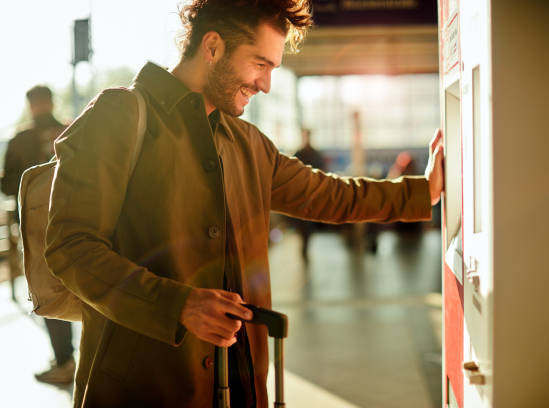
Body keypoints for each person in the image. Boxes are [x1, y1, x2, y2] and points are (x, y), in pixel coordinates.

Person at [43, 1, 445, 406]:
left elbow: (329, 195)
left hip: (240, 386)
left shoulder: (247, 142)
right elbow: (71, 247)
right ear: (213, 47)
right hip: (145, 388)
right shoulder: (118, 115)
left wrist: (422, 191)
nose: (266, 83)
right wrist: (177, 305)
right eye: (260, 64)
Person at [1, 85, 75, 384]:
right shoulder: (72, 130)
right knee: (80, 285)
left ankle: (64, 360)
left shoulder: (20, 140)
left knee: (48, 290)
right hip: (75, 222)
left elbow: (8, 188)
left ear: (31, 105)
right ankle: (81, 355)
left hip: (36, 229)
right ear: (52, 101)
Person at [293, 128, 326, 260]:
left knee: (308, 223)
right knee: (304, 223)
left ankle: (306, 244)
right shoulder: (301, 153)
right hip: (303, 194)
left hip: (310, 194)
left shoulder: (310, 154)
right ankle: (304, 245)